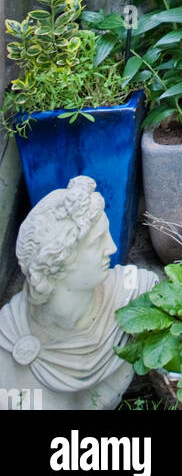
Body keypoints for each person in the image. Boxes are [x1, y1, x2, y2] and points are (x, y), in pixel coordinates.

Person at [0, 175, 157, 410]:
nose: (112, 248)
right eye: (98, 242)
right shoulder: (8, 343)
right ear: (58, 261)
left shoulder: (135, 295)